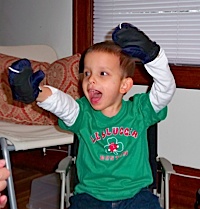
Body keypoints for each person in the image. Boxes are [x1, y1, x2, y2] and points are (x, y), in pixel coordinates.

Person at [8, 23, 176, 209]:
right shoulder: (82, 114)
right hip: (90, 196)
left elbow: (164, 91)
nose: (91, 79)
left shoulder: (140, 111)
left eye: (102, 73)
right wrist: (35, 92)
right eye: (87, 73)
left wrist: (153, 56)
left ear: (124, 86)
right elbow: (62, 105)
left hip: (136, 195)